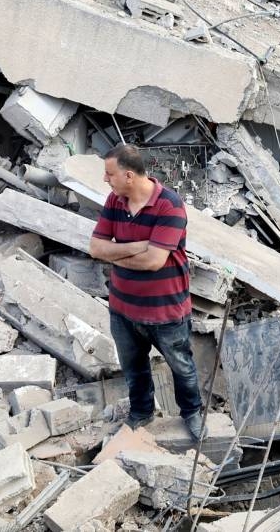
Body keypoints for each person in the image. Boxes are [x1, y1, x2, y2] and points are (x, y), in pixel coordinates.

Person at [89, 144, 205, 441]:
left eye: (109, 174)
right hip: (123, 309)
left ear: (128, 175)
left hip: (165, 311)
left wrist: (115, 253)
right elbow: (95, 248)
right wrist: (138, 246)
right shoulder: (115, 202)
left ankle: (192, 413)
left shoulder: (170, 205)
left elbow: (154, 262)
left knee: (182, 367)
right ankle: (141, 412)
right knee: (133, 368)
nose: (105, 179)